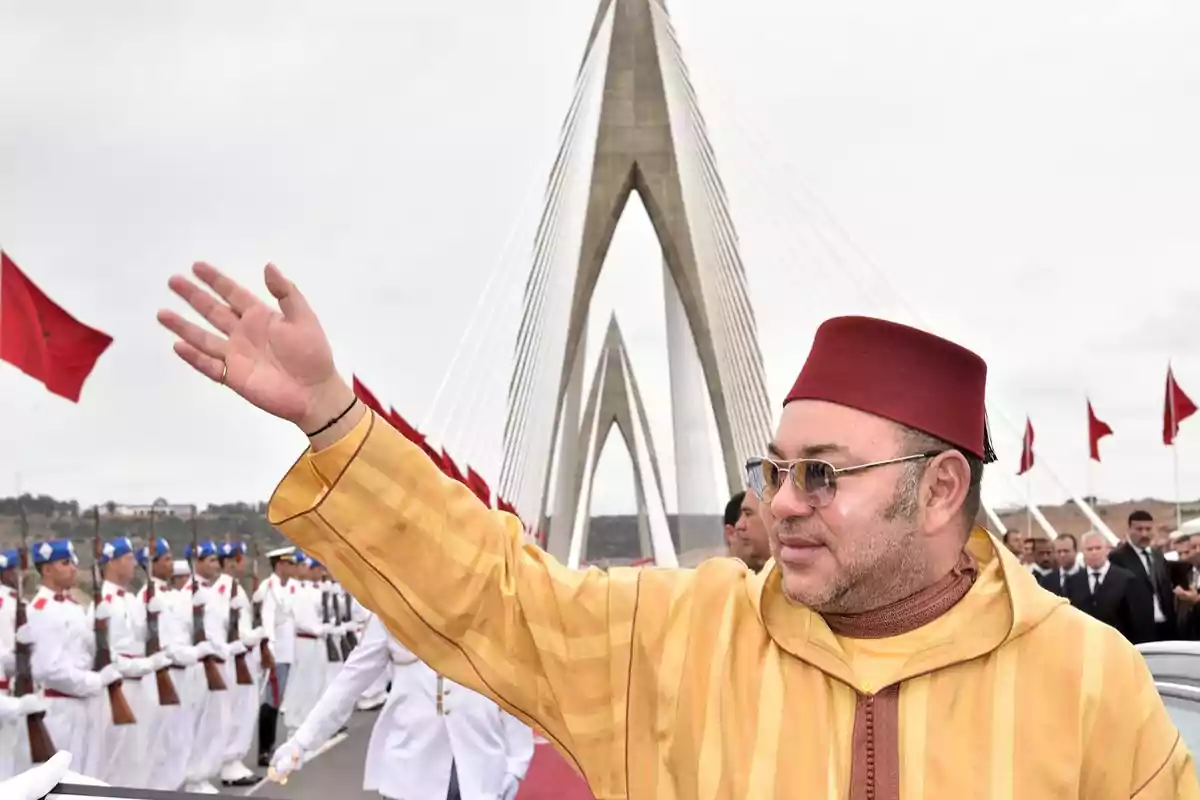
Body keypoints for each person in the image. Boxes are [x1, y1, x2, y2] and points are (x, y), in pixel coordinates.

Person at [159, 262, 1198, 797]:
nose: (781, 499)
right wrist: (341, 421)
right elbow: (495, 593)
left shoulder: (1088, 681)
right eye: (776, 467)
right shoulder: (678, 637)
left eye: (823, 474)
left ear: (936, 491)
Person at [270, 612, 534, 799]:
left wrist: (517, 762)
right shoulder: (391, 603)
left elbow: (514, 682)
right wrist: (301, 742)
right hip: (410, 768)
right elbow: (350, 681)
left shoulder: (494, 601)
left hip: (478, 765)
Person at [1065, 532, 1155, 643]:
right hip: (1084, 644)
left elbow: (1137, 620)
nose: (1094, 552)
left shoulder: (1126, 579)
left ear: (1107, 550)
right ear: (1083, 552)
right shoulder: (1073, 581)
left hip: (1118, 644)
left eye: (1098, 548)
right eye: (1089, 549)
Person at [1111, 510, 1178, 641]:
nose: (1144, 534)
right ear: (1129, 529)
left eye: (1148, 529)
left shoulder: (1158, 556)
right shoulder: (1117, 558)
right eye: (1139, 529)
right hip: (1136, 631)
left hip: (1165, 627)